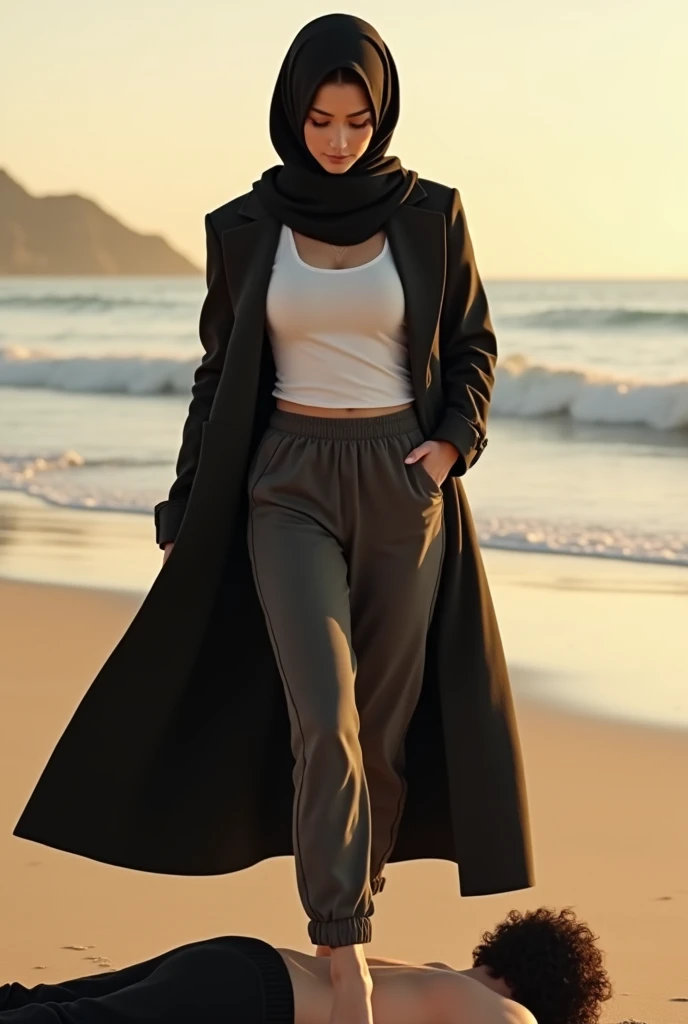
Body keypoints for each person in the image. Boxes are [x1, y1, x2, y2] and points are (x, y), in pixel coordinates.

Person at [14, 13, 533, 1024]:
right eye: (319, 118)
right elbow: (220, 374)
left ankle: (356, 903)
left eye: (355, 119)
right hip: (285, 481)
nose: (336, 139)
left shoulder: (431, 214)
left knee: (379, 733)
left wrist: (450, 443)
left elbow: (471, 342)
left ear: (379, 116)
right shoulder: (243, 227)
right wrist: (184, 490)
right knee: (322, 716)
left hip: (401, 483)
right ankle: (343, 949)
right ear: (290, 113)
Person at [0, 908, 612, 1024]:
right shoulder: (510, 1018)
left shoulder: (432, 974)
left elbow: (335, 963)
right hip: (255, 1000)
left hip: (240, 956)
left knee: (45, 999)